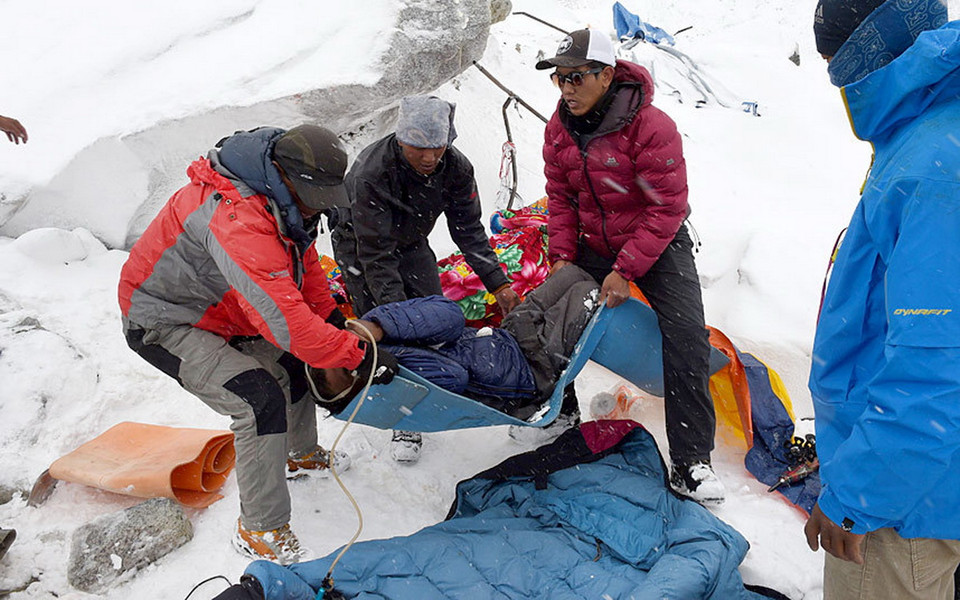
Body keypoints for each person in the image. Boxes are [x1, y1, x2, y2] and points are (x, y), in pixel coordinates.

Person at [118, 125, 398, 565]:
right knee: (256, 398)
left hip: (224, 308)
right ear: (286, 177)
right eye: (316, 195)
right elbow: (286, 324)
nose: (319, 206)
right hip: (164, 320)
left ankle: (300, 454)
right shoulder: (237, 218)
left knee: (293, 364)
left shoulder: (282, 203)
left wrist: (332, 321)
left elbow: (305, 265)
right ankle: (261, 528)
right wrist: (357, 354)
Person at [804, 1, 960, 598]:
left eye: (834, 58)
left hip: (904, 504)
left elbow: (937, 368)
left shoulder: (932, 168)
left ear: (872, 49)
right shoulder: (934, 131)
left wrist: (859, 495)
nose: (834, 78)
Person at [536, 28, 724, 505]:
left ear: (607, 75)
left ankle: (691, 461)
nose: (567, 88)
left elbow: (667, 208)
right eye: (560, 78)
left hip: (656, 241)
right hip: (593, 239)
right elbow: (560, 198)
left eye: (577, 77)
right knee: (552, 308)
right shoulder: (559, 129)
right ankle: (560, 412)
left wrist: (625, 270)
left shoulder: (650, 126)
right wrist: (562, 256)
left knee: (685, 336)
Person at [331, 95, 521, 463]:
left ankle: (437, 386)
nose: (430, 157)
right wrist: (398, 318)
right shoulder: (373, 172)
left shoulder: (456, 168)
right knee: (390, 329)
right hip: (360, 247)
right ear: (400, 138)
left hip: (412, 240)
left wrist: (499, 285)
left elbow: (469, 231)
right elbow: (377, 257)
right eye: (418, 147)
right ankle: (404, 416)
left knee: (433, 315)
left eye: (438, 146)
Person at [308, 263, 601, 423]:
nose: (351, 358)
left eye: (341, 355)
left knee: (573, 272)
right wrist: (390, 361)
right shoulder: (395, 386)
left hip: (508, 335)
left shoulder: (375, 334)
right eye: (346, 371)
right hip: (531, 369)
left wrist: (379, 327)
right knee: (589, 291)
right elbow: (453, 376)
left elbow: (451, 316)